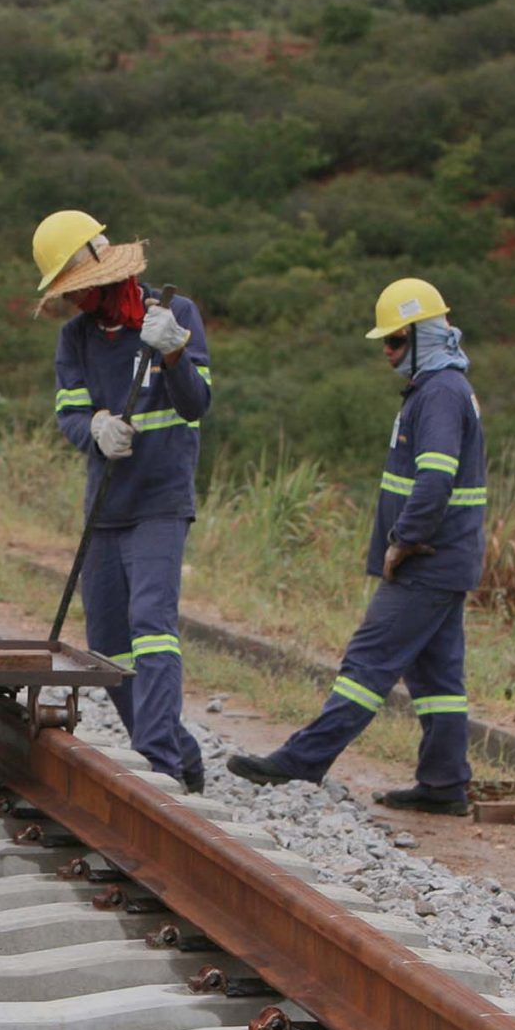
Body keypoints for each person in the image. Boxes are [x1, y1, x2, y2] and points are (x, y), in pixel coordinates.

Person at [226, 277, 486, 815]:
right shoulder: (440, 386)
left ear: (421, 335)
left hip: (428, 559)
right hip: (447, 559)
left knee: (368, 662)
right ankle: (444, 785)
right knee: (438, 679)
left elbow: (435, 478)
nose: (387, 354)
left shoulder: (438, 392)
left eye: (394, 343)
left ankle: (304, 759)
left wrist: (405, 541)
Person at [36, 211, 212, 793]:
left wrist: (173, 356)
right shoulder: (76, 338)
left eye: (79, 289)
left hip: (160, 500)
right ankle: (180, 753)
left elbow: (195, 406)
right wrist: (97, 428)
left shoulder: (174, 315)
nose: (76, 302)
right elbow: (69, 414)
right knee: (108, 644)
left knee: (152, 628)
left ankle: (157, 763)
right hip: (105, 506)